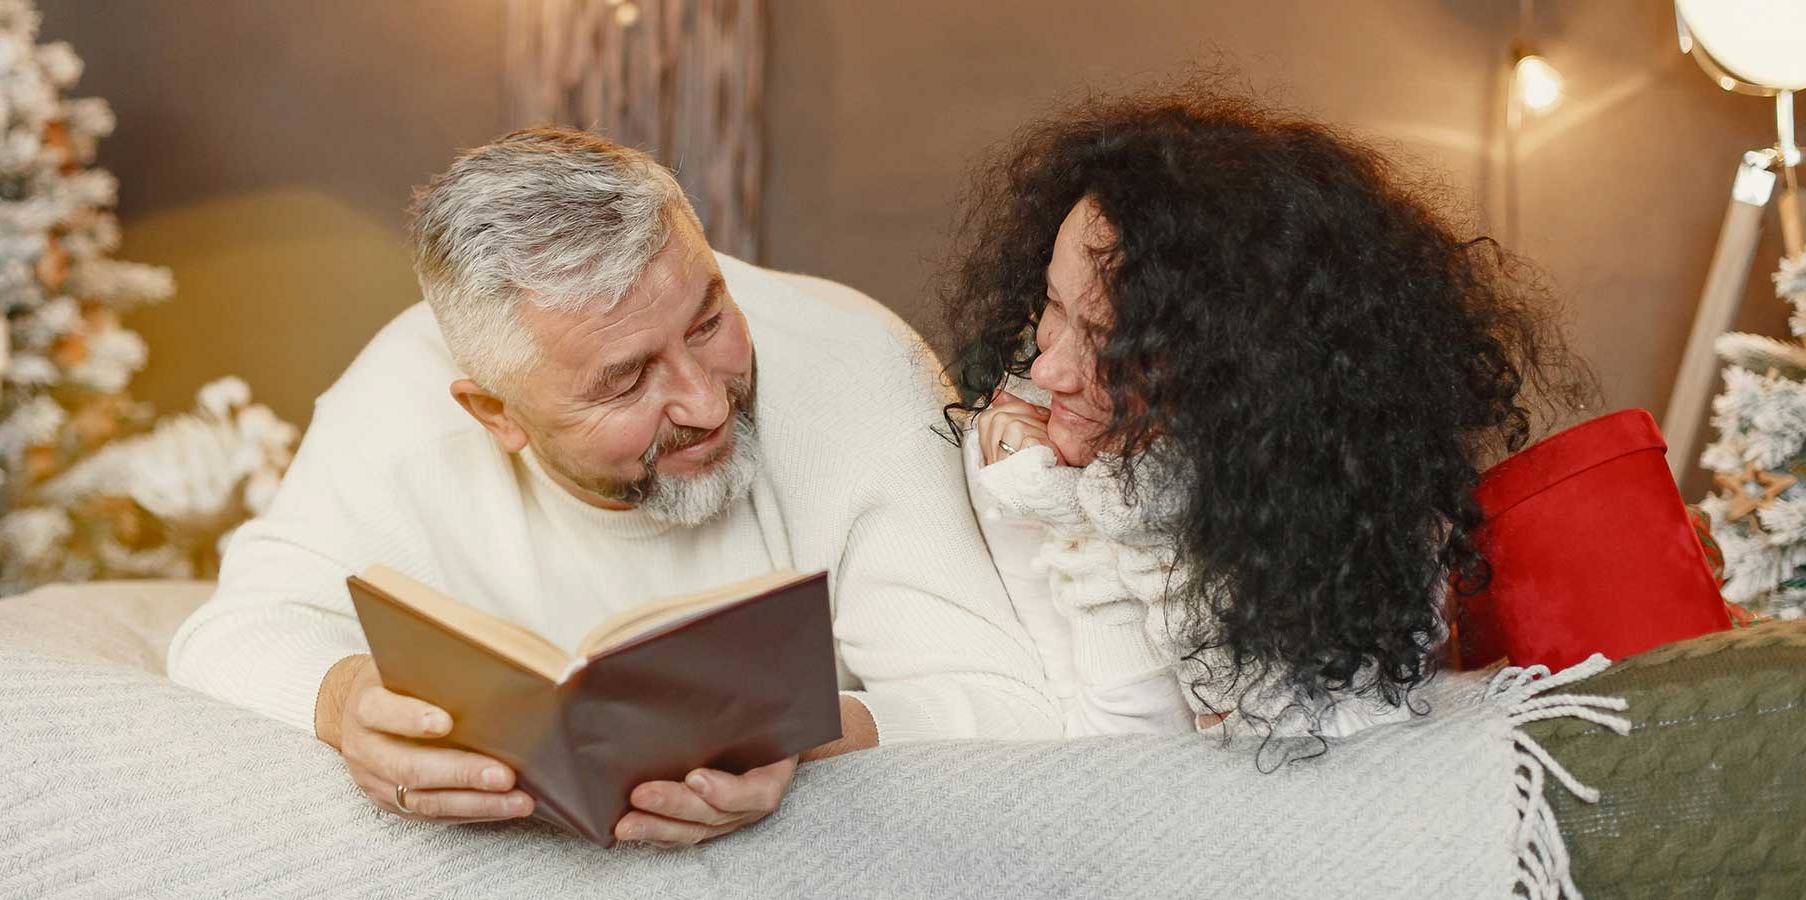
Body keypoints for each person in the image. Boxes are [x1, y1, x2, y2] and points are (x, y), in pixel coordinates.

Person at [168, 128, 1060, 847]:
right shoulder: (396, 404)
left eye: (709, 321)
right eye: (627, 382)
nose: (708, 403)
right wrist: (341, 701)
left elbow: (1013, 705)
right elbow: (233, 627)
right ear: (496, 413)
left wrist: (815, 737)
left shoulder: (860, 371)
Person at [941, 88, 1590, 741]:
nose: (1051, 372)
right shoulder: (1016, 453)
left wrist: (1135, 523)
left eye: (1116, 348)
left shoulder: (1354, 501)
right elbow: (1110, 761)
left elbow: (1295, 760)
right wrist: (1077, 522)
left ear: (1244, 378)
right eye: (1054, 306)